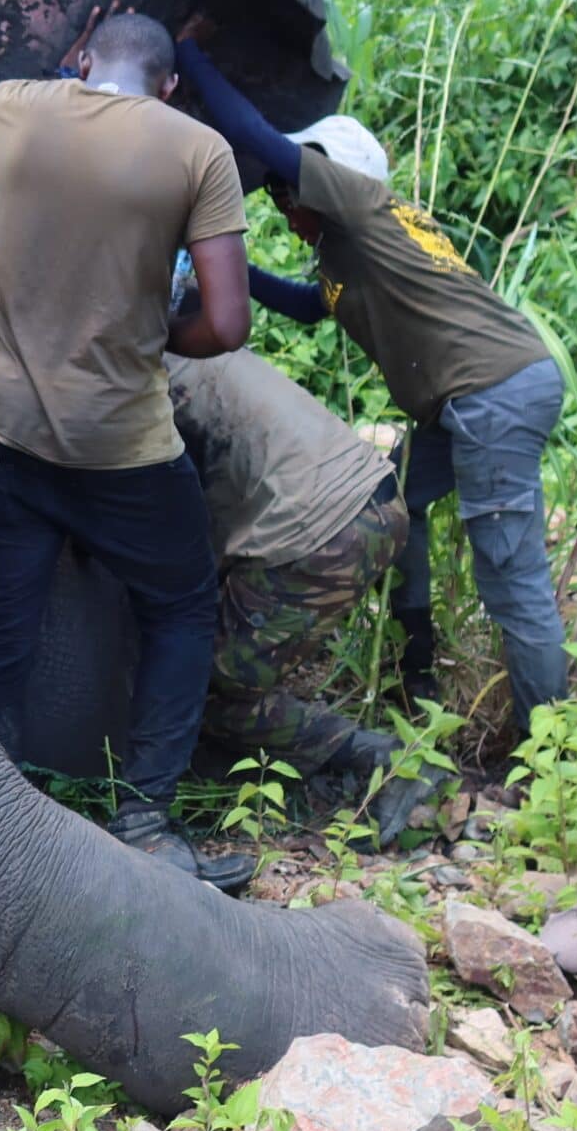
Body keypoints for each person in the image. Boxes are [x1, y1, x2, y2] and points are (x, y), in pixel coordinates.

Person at [172, 18, 569, 728]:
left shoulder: (357, 206)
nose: (283, 206)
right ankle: (416, 676)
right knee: (398, 503)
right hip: (476, 399)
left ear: (323, 177)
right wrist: (223, 267)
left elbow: (258, 137)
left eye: (287, 192)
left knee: (511, 578)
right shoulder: (351, 248)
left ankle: (557, 756)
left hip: (492, 396)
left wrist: (189, 53)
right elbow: (303, 306)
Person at [0, 10, 257, 892]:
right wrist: (164, 334)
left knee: (2, 631)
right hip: (122, 446)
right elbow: (230, 321)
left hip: (2, 427)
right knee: (181, 605)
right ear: (169, 84)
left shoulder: (14, 106)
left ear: (83, 58)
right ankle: (145, 819)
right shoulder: (199, 151)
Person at [166, 349, 440, 845]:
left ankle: (384, 760)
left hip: (322, 533)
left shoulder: (154, 374)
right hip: (367, 501)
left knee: (204, 687)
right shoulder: (198, 346)